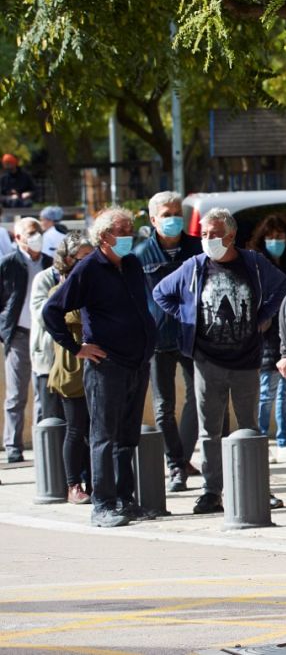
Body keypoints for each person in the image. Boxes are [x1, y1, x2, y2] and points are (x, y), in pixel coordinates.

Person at [152, 208, 286, 516]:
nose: (207, 240)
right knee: (210, 430)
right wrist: (188, 319)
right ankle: (211, 491)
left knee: (250, 428)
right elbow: (162, 293)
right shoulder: (194, 266)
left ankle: (257, 487)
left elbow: (282, 287)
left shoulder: (253, 264)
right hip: (207, 361)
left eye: (213, 234)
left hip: (246, 361)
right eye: (203, 234)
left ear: (230, 236)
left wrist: (264, 317)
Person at [42, 207, 157, 528]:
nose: (129, 236)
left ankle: (125, 499)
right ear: (105, 237)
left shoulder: (132, 263)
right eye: (123, 230)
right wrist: (76, 347)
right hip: (106, 366)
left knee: (127, 437)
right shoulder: (88, 268)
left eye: (130, 229)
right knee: (103, 436)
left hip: (137, 362)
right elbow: (52, 311)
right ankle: (102, 504)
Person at [134, 190, 201, 492]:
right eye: (166, 214)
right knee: (163, 408)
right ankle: (175, 464)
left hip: (194, 335)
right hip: (157, 340)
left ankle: (184, 457)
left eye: (177, 213)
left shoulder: (197, 249)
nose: (173, 219)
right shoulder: (140, 255)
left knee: (200, 400)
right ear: (153, 219)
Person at [36, 233, 93, 503]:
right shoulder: (58, 292)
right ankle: (74, 485)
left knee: (99, 430)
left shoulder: (96, 284)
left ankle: (98, 483)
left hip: (98, 367)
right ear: (69, 259)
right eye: (83, 256)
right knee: (76, 428)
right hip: (72, 368)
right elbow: (58, 320)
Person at [248, 213, 286, 460]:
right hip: (267, 337)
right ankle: (260, 439)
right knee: (266, 391)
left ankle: (285, 440)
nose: (276, 241)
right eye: (270, 237)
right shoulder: (259, 264)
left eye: (280, 237)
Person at [2, 217, 48, 462]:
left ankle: (44, 443)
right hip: (19, 335)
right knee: (16, 395)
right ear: (18, 238)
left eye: (39, 231)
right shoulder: (8, 264)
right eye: (31, 232)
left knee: (43, 393)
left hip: (44, 337)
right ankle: (13, 447)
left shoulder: (50, 263)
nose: (36, 236)